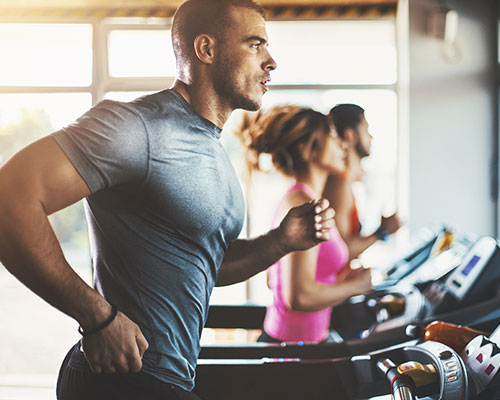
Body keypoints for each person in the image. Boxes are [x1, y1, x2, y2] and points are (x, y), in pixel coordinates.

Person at [0, 1, 336, 399]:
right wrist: (97, 317)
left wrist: (281, 241)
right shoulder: (137, 127)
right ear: (206, 50)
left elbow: (208, 264)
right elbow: (10, 199)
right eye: (255, 45)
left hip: (168, 380)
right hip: (121, 379)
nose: (271, 62)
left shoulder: (215, 152)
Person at [238, 105, 373, 344]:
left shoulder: (309, 199)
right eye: (331, 136)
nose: (342, 144)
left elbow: (278, 279)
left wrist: (339, 282)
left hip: (308, 343)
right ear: (308, 149)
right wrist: (356, 286)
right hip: (289, 350)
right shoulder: (301, 204)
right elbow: (298, 297)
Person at [323, 104, 402, 260]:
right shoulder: (338, 184)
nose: (371, 137)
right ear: (350, 134)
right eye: (365, 129)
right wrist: (382, 232)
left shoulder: (348, 182)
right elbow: (341, 252)